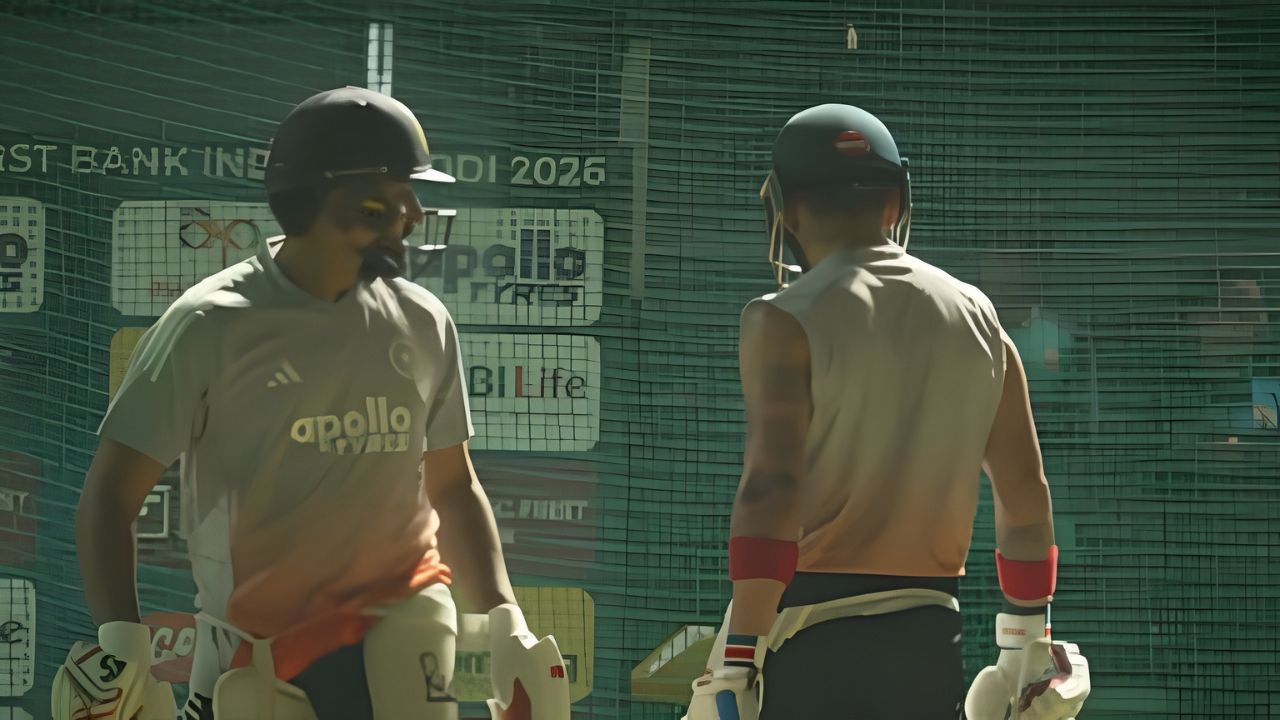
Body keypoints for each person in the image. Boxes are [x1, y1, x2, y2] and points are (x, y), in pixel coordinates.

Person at [52, 87, 570, 720]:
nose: (413, 213)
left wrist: (504, 619)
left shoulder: (423, 320)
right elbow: (111, 493)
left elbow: (453, 486)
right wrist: (124, 644)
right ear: (330, 198)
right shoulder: (209, 324)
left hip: (405, 650)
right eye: (396, 193)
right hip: (256, 665)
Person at [684, 104, 1090, 719]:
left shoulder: (781, 318)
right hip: (930, 637)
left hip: (806, 636)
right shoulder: (979, 316)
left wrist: (738, 659)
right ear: (897, 202)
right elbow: (1026, 496)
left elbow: (772, 490)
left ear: (785, 208)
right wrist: (1026, 643)